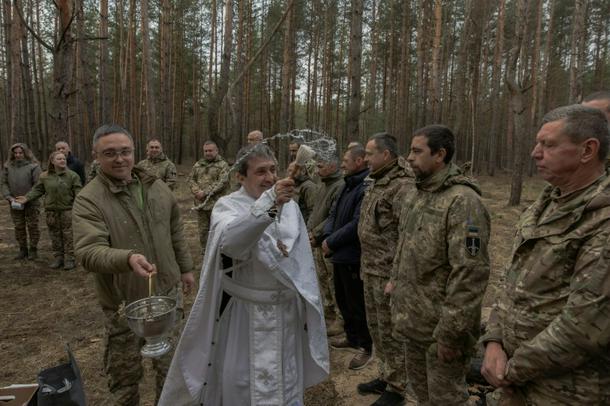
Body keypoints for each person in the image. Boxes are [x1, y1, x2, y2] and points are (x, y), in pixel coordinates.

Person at [159, 143, 329, 405]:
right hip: (246, 315)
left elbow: (297, 257)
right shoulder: (227, 206)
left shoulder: (291, 207)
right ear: (240, 176)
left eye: (272, 169)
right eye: (260, 171)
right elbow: (233, 244)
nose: (270, 177)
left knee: (286, 375)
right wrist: (270, 204)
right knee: (242, 380)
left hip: (285, 313)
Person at [480, 104, 610, 404]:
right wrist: (494, 340)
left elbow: (584, 326)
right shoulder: (545, 205)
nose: (535, 153)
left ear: (588, 150)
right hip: (514, 384)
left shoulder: (601, 220)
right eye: (538, 143)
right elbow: (509, 282)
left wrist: (510, 369)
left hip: (567, 391)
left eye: (548, 145)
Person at [72, 124, 195, 406]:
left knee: (173, 372)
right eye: (109, 153)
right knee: (124, 381)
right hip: (124, 303)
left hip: (167, 295)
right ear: (96, 156)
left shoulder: (156, 186)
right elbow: (88, 252)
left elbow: (175, 229)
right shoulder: (89, 199)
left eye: (125, 151)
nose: (119, 159)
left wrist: (186, 268)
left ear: (134, 151)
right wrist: (126, 258)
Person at [388, 125, 490, 405]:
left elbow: (470, 274)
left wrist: (451, 334)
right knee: (422, 396)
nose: (409, 157)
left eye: (417, 151)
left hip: (440, 331)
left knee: (446, 400)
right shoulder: (417, 194)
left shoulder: (463, 201)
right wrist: (394, 281)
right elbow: (405, 244)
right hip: (413, 323)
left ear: (440, 155)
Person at [357, 133, 414, 406]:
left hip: (388, 273)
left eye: (370, 154)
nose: (365, 159)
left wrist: (397, 276)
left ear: (386, 155)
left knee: (391, 332)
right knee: (377, 329)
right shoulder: (378, 181)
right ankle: (385, 374)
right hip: (370, 268)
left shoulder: (402, 186)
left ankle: (398, 387)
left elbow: (408, 234)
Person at [323, 145, 373, 370]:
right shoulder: (347, 184)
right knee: (343, 299)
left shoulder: (365, 186)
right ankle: (351, 337)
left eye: (345, 160)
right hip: (339, 254)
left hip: (352, 254)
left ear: (359, 161)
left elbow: (356, 223)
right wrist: (327, 236)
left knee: (356, 303)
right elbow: (334, 213)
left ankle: (365, 346)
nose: (342, 164)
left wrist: (332, 241)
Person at [16, 152, 82, 270]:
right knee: (54, 235)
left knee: (68, 235)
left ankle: (70, 259)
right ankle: (58, 258)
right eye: (59, 159)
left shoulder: (72, 176)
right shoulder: (44, 176)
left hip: (67, 210)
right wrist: (27, 198)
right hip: (51, 212)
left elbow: (78, 193)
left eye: (64, 158)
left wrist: (79, 207)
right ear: (52, 161)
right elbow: (38, 190)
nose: (62, 160)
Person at [307, 154, 344, 336]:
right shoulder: (323, 185)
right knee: (322, 280)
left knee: (333, 281)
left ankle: (340, 319)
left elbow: (333, 217)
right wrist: (310, 231)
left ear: (332, 166)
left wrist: (317, 233)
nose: (317, 170)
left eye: (320, 166)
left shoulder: (339, 186)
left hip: (329, 243)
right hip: (317, 242)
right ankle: (328, 316)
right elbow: (316, 212)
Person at [187, 141, 231, 253]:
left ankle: (219, 252)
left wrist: (205, 192)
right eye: (205, 151)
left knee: (217, 229)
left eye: (210, 150)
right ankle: (205, 252)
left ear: (216, 151)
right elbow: (191, 179)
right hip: (201, 205)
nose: (208, 153)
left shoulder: (223, 165)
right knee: (203, 231)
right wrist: (196, 191)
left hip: (217, 205)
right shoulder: (198, 165)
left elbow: (222, 182)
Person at [1, 143, 41, 260]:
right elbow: (3, 183)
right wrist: (9, 197)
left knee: (33, 226)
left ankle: (33, 249)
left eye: (20, 153)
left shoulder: (34, 166)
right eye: (16, 153)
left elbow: (38, 185)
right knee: (19, 226)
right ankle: (23, 249)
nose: (18, 155)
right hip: (14, 202)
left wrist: (27, 197)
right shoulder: (8, 166)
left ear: (25, 153)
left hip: (31, 202)